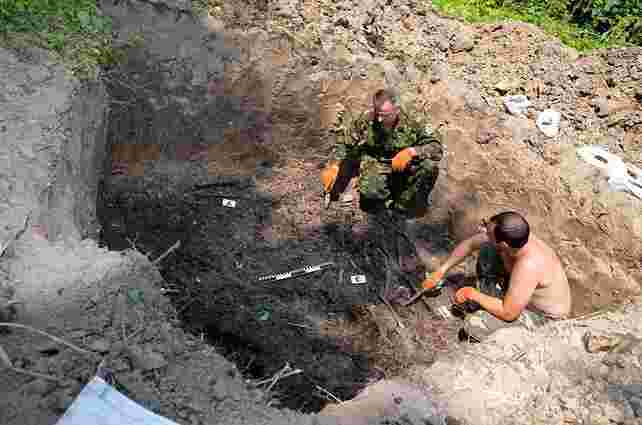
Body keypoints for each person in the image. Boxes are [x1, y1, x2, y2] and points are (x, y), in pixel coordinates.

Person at [421, 211, 572, 342]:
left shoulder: (529, 265)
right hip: (521, 293)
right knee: (488, 250)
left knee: (475, 324)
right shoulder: (516, 237)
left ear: (505, 244)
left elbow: (508, 313)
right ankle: (491, 298)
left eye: (489, 233)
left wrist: (471, 294)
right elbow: (470, 244)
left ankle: (516, 332)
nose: (485, 233)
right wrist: (441, 271)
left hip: (543, 319)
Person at [320, 89, 444, 218]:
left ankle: (402, 208)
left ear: (397, 109)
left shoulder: (414, 119)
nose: (379, 119)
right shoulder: (367, 119)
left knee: (429, 168)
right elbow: (345, 144)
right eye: (377, 113)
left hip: (406, 163)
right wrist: (334, 165)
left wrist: (412, 152)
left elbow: (436, 147)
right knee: (370, 194)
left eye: (385, 115)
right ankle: (384, 206)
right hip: (377, 161)